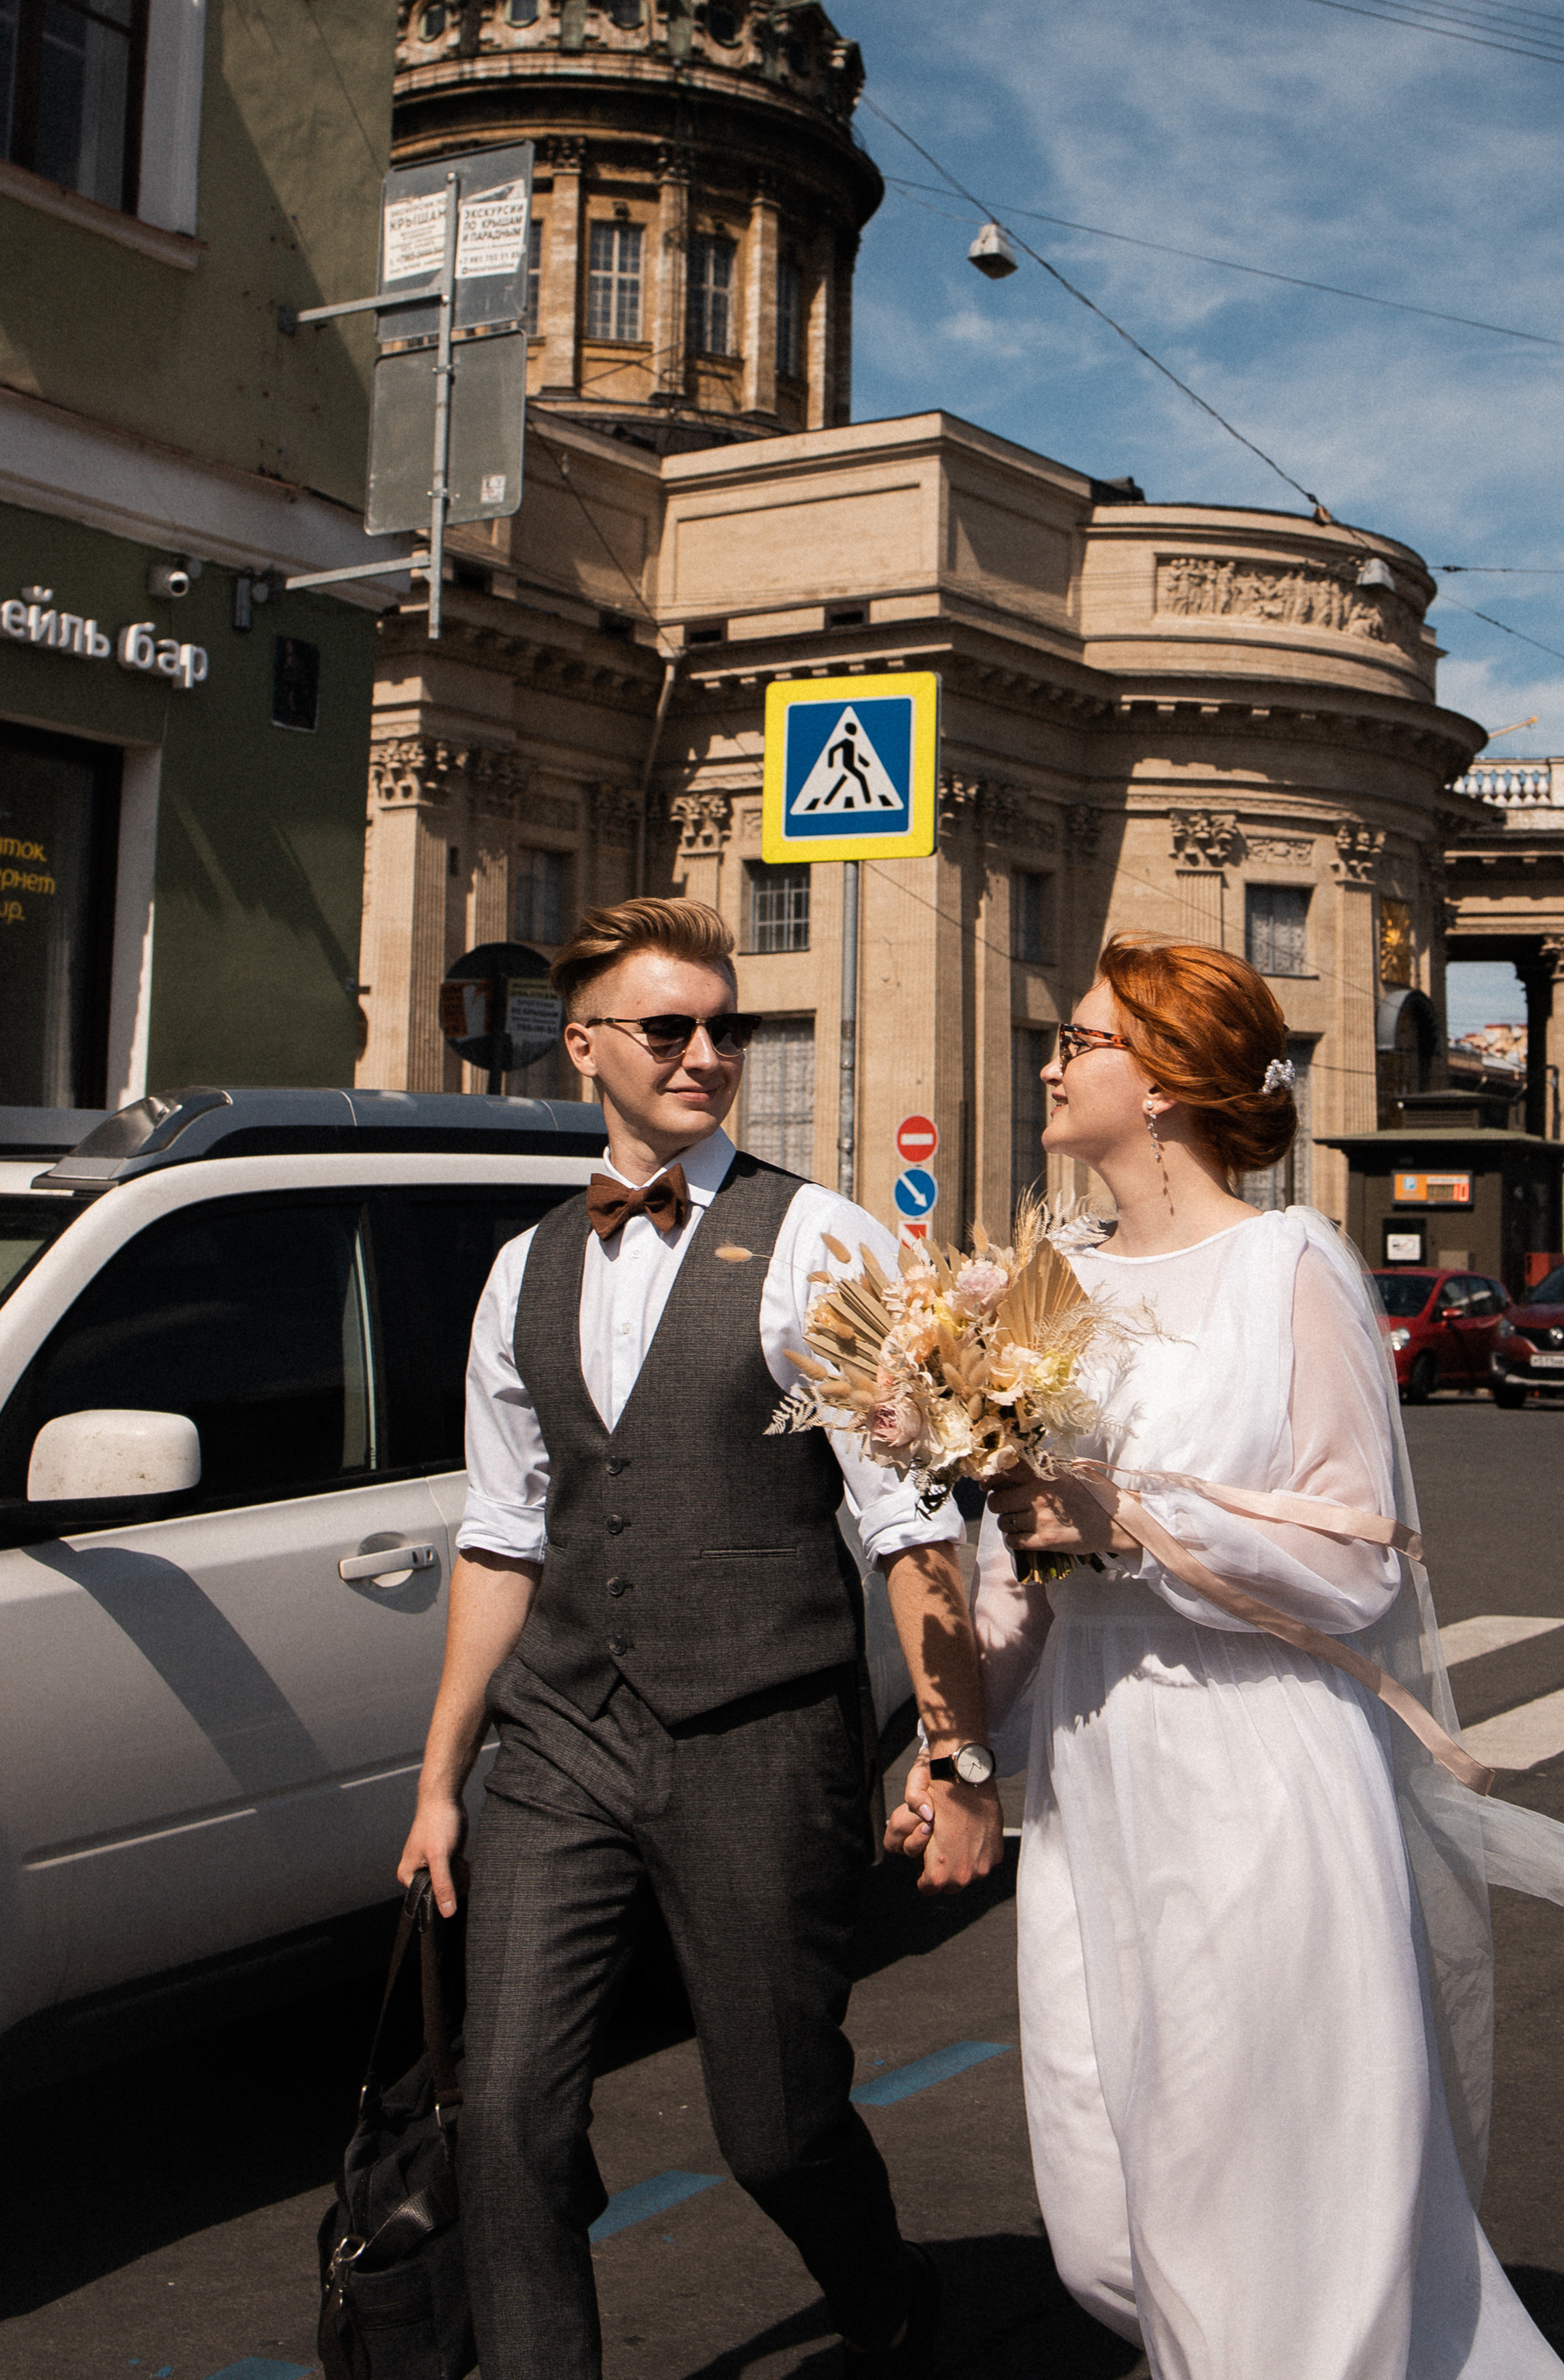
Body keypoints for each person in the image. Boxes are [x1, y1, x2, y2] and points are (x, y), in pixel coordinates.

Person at [888, 935, 1564, 2380]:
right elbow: (1016, 1579)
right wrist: (954, 1745)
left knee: (1260, 2232)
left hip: (1259, 1772)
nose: (1050, 1058)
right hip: (1100, 1785)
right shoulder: (1043, 1287)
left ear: (1162, 1083)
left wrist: (1132, 1522)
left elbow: (1358, 1563)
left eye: (1080, 1039)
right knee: (1107, 2223)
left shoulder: (1295, 1265)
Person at [397, 896, 1004, 2378]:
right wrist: (436, 1783)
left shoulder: (819, 1240)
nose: (710, 1054)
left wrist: (955, 1749)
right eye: (671, 1028)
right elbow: (501, 1537)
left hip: (759, 1736)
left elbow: (909, 1523)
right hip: (558, 1747)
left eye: (729, 1027)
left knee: (775, 2120)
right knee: (510, 2113)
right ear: (587, 1046)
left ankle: (886, 2294)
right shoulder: (523, 1269)